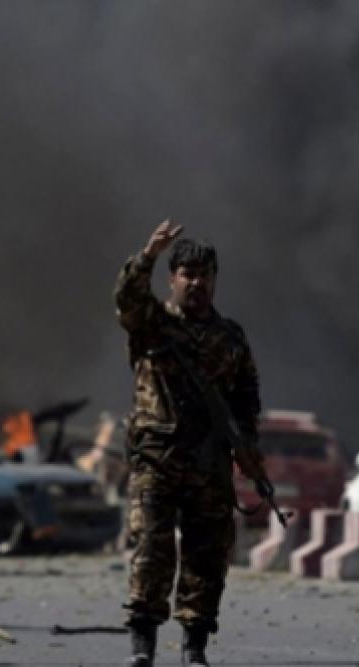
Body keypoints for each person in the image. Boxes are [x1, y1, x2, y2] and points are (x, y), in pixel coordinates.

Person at [114, 220, 266, 667]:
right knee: (151, 550)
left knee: (207, 555)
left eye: (204, 275)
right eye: (187, 274)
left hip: (208, 460)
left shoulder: (230, 337)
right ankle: (142, 646)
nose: (196, 283)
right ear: (172, 278)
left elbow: (246, 396)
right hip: (156, 458)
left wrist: (247, 446)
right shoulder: (151, 324)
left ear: (215, 280)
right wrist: (148, 255)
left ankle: (194, 647)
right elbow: (126, 298)